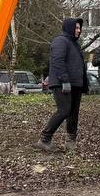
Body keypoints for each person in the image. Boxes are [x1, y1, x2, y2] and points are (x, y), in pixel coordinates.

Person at [36, 17, 87, 152]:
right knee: (64, 110)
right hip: (61, 83)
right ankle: (44, 139)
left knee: (73, 113)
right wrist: (65, 80)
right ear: (69, 28)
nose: (78, 30)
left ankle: (70, 143)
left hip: (75, 84)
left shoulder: (75, 44)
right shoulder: (60, 41)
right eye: (76, 28)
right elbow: (58, 61)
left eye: (79, 28)